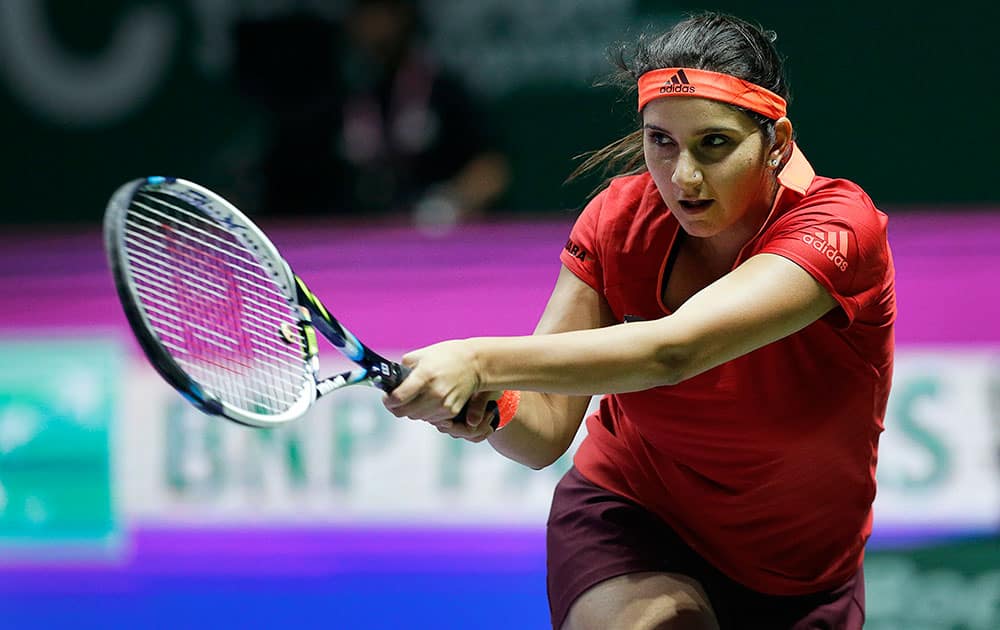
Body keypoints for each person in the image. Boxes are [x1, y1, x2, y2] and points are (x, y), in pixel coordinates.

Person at [384, 11, 894, 630]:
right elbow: (543, 432)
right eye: (661, 141)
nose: (683, 176)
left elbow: (672, 351)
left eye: (714, 143)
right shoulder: (618, 223)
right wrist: (495, 410)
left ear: (777, 142)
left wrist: (477, 360)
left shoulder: (839, 228)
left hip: (804, 574)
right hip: (635, 520)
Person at [234, 0, 509, 226]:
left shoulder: (445, 92)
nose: (369, 26)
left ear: (405, 19)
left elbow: (492, 168)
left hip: (439, 243)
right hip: (353, 244)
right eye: (362, 14)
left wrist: (449, 204)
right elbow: (283, 176)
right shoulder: (334, 98)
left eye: (380, 13)